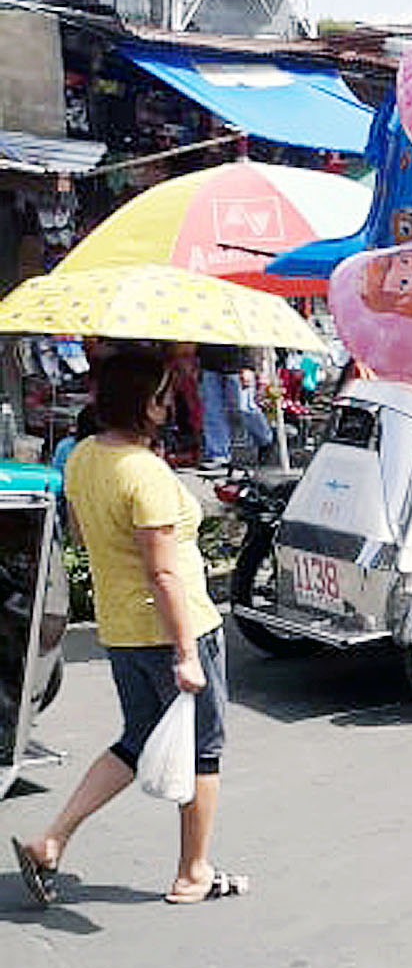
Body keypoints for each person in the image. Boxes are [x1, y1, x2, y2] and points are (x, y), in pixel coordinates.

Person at [11, 349, 246, 908]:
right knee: (204, 750)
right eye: (165, 396)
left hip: (121, 630)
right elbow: (164, 571)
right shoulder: (146, 475)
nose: (172, 404)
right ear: (148, 405)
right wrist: (187, 653)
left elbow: (85, 534)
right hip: (175, 629)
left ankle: (51, 840)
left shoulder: (85, 456)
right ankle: (193, 872)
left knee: (137, 739)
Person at [197, 342, 272, 469]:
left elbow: (250, 336)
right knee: (212, 412)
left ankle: (266, 439)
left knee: (245, 407)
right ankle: (218, 453)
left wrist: (249, 366)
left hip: (237, 363)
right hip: (210, 361)